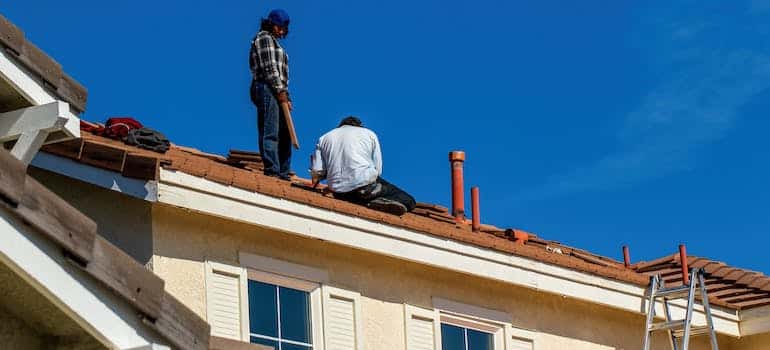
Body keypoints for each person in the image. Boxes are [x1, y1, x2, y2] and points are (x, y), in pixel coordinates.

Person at [310, 116, 416, 216]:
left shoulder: (324, 137)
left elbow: (317, 171)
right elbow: (377, 169)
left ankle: (373, 200)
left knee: (356, 194)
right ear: (359, 126)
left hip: (339, 192)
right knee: (409, 201)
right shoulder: (369, 134)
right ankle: (378, 201)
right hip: (365, 187)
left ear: (340, 126)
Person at [250, 9, 293, 180]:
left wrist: (286, 96)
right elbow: (270, 69)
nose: (281, 31)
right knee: (271, 129)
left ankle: (283, 171)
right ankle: (273, 169)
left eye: (284, 29)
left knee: (285, 133)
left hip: (278, 90)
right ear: (271, 24)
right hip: (267, 87)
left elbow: (282, 74)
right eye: (279, 27)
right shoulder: (264, 38)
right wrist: (280, 91)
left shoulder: (276, 43)